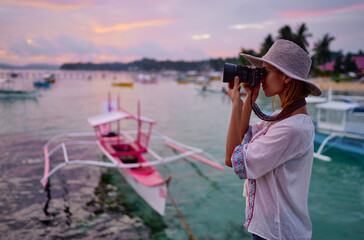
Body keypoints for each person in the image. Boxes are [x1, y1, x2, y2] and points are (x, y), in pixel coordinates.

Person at [225, 39, 322, 240]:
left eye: (265, 71)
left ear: (285, 77)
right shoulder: (284, 118)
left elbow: (232, 160)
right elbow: (242, 136)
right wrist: (248, 99)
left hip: (277, 234)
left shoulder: (291, 128)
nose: (261, 77)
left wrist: (236, 104)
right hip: (272, 228)